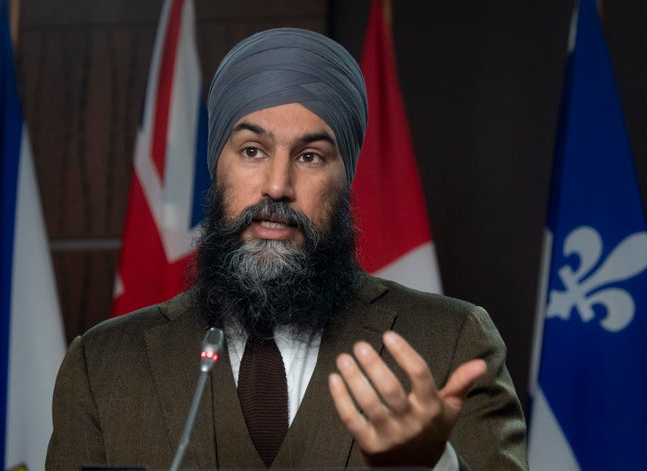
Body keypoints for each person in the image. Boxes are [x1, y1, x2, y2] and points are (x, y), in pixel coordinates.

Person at [46, 28, 528, 470]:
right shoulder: (102, 364)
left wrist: (434, 464)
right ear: (218, 167)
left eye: (310, 156)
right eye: (252, 151)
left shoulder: (453, 342)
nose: (277, 186)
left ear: (346, 182)